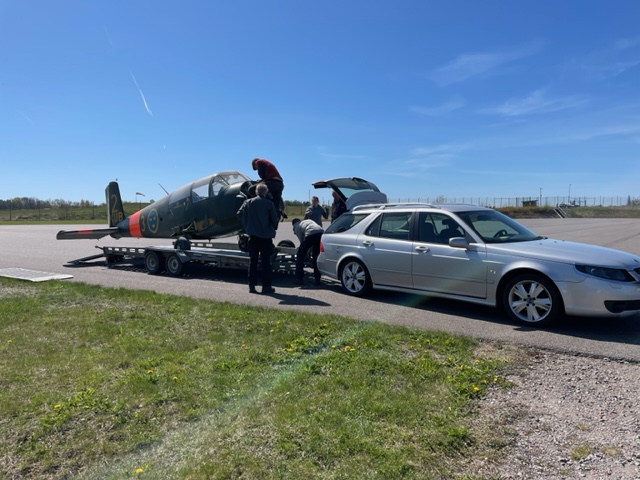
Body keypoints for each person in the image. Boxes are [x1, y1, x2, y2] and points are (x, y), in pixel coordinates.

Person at [236, 183, 279, 294]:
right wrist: (272, 226)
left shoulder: (248, 202)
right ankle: (266, 286)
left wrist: (247, 225)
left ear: (256, 191)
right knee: (266, 262)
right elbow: (274, 219)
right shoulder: (269, 203)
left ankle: (251, 286)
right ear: (266, 192)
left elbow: (239, 214)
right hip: (266, 237)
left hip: (253, 236)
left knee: (253, 262)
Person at [291, 217, 324, 286]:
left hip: (310, 233)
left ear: (293, 224)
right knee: (316, 257)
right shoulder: (307, 221)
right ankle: (317, 280)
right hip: (321, 232)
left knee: (300, 256)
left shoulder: (297, 226)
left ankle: (299, 279)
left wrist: (306, 254)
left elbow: (302, 241)